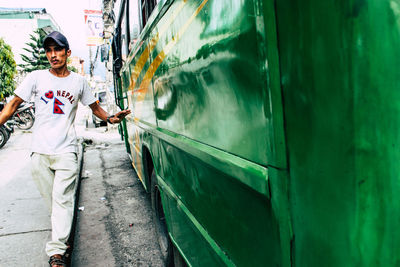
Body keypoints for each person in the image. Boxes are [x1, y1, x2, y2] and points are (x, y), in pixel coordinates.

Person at [0, 31, 130, 267]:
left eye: (57, 50)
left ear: (67, 53)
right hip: (40, 152)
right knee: (55, 203)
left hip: (66, 151)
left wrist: (110, 118)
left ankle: (57, 253)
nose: (53, 55)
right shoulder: (36, 77)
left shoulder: (78, 82)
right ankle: (63, 236)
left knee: (62, 200)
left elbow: (94, 107)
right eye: (49, 51)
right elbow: (12, 106)